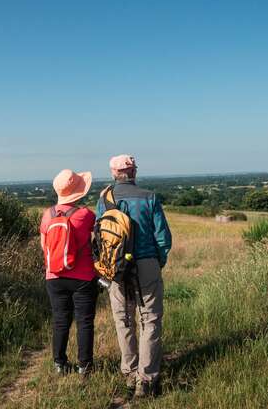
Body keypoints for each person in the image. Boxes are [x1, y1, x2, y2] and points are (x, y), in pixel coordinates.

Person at [96, 155, 172, 397]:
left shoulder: (104, 199)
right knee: (149, 321)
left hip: (116, 268)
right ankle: (146, 379)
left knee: (123, 319)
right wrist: (157, 261)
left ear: (113, 173)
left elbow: (99, 237)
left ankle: (129, 373)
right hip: (147, 262)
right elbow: (163, 237)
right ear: (134, 172)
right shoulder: (150, 197)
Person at [40, 169, 98, 376]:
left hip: (54, 276)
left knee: (60, 319)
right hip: (83, 277)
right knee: (84, 321)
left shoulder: (47, 215)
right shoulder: (86, 215)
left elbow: (44, 246)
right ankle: (85, 365)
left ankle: (59, 363)